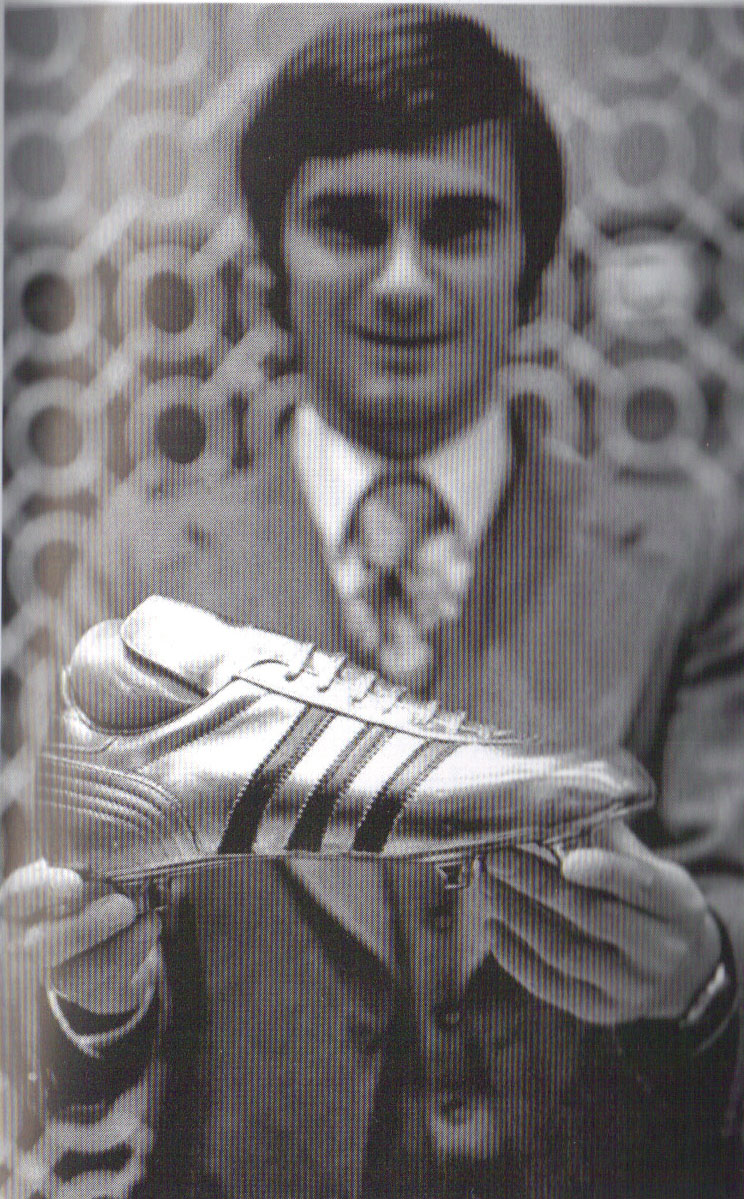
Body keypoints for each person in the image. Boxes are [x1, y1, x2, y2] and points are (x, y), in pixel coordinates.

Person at [2, 7, 743, 1197]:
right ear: (273, 266)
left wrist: (698, 975)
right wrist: (85, 1000)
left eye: (459, 225)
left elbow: (730, 911)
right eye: (348, 224)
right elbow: (72, 1055)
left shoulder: (688, 550)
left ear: (531, 268)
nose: (403, 281)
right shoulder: (145, 566)